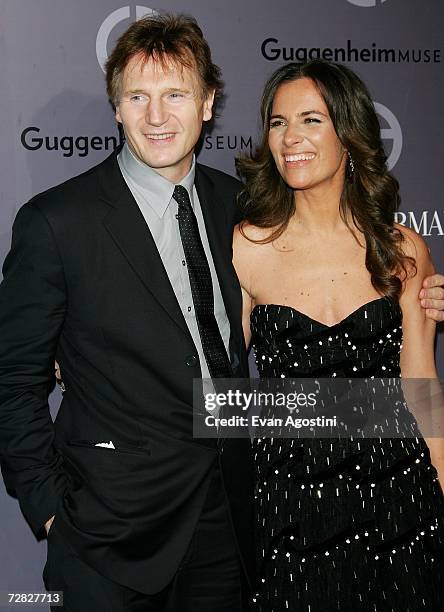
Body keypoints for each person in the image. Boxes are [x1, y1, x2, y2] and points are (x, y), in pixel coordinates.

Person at [0, 14, 254, 612]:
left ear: (208, 103)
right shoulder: (56, 222)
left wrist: (409, 291)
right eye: (137, 97)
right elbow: (12, 382)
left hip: (230, 521)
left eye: (175, 95)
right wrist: (51, 512)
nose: (157, 116)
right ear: (116, 108)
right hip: (107, 535)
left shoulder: (242, 207)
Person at [233, 60, 444, 611]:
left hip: (398, 500)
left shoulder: (402, 250)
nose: (291, 139)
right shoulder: (245, 248)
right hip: (287, 508)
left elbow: (420, 384)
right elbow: (216, 389)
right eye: (278, 123)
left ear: (348, 134)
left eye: (310, 120)